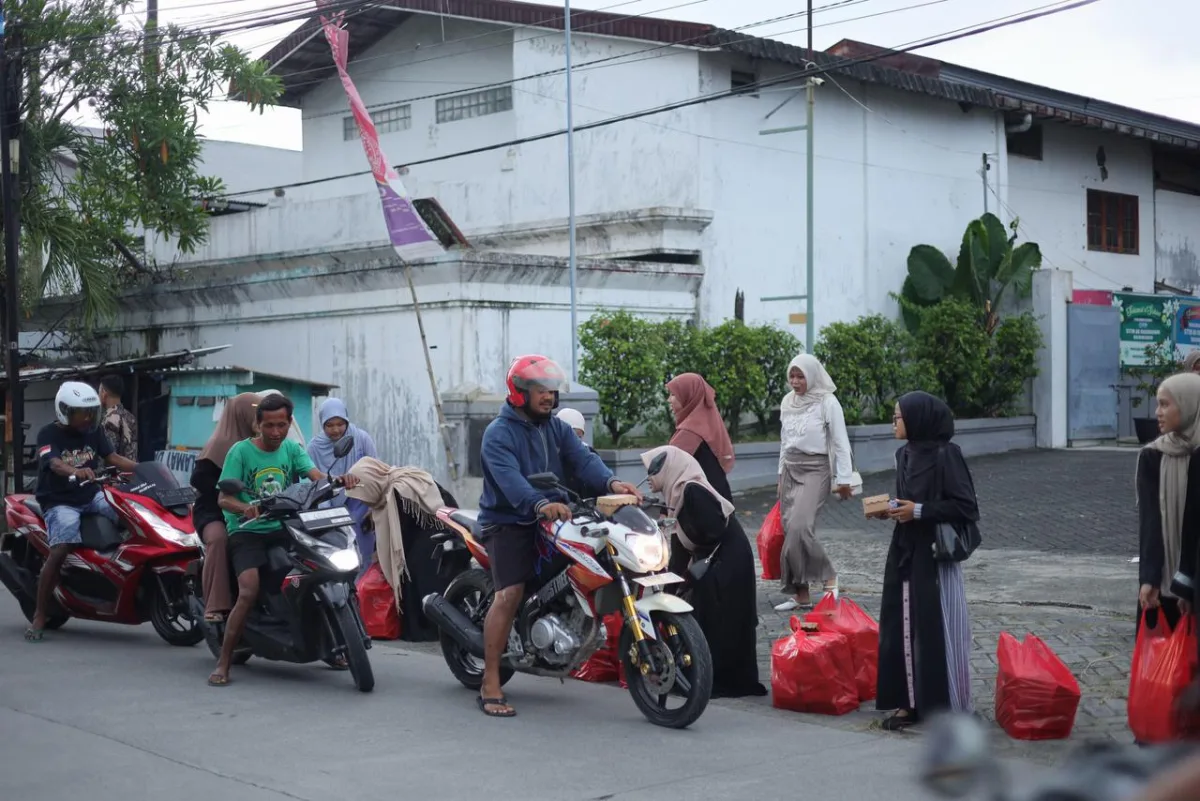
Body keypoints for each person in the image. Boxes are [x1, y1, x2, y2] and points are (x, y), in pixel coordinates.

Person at [476, 355, 643, 718]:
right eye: (541, 392)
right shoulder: (498, 434)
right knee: (510, 593)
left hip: (556, 515)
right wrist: (537, 504)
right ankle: (490, 681)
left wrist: (611, 482)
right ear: (519, 393)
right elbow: (511, 482)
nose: (549, 398)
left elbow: (583, 460)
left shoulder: (555, 427)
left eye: (552, 392)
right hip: (508, 521)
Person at [208, 393, 359, 687]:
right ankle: (224, 660)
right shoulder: (240, 452)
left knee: (318, 570)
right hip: (247, 530)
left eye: (281, 425)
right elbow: (224, 498)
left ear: (290, 423)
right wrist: (246, 507)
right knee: (248, 590)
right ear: (257, 425)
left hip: (284, 526)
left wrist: (339, 480)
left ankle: (328, 640)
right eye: (270, 426)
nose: (276, 432)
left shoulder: (291, 449)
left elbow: (315, 476)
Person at [871, 391, 978, 730]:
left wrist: (917, 510)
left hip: (935, 553)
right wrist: (890, 509)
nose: (893, 423)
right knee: (900, 623)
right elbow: (906, 499)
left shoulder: (948, 455)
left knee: (933, 626)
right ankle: (907, 702)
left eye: (898, 417)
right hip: (904, 547)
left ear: (917, 419)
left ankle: (940, 704)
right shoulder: (903, 454)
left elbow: (966, 508)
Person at [641, 445, 767, 698]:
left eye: (653, 471)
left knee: (723, 620)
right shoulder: (677, 495)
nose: (649, 479)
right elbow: (680, 554)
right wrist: (666, 597)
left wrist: (693, 565)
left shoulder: (693, 491)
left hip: (728, 561)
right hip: (715, 562)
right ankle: (708, 677)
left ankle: (721, 681)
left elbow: (714, 530)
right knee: (710, 616)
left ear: (669, 469)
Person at [25, 381, 139, 642]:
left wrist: (144, 468)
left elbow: (112, 457)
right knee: (60, 549)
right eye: (81, 412)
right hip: (60, 501)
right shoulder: (47, 434)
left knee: (130, 518)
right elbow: (53, 463)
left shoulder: (94, 430)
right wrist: (75, 470)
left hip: (92, 494)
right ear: (65, 411)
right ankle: (40, 613)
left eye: (90, 411)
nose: (88, 417)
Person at [774, 354, 855, 612]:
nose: (795, 382)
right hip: (790, 468)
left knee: (800, 527)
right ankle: (801, 593)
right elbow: (784, 441)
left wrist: (844, 479)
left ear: (812, 375)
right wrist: (779, 474)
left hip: (816, 469)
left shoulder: (827, 402)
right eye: (792, 376)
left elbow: (841, 442)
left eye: (801, 376)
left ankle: (829, 576)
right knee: (791, 532)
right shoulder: (788, 401)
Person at [1137, 373, 1200, 633]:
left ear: (1188, 405)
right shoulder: (1152, 456)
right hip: (1165, 578)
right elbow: (1151, 523)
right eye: (1158, 404)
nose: (1157, 413)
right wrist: (1149, 578)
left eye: (1165, 404)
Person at [190, 393, 259, 624]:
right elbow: (199, 480)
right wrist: (230, 489)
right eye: (254, 415)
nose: (257, 420)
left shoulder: (261, 444)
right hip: (214, 511)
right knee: (219, 539)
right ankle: (215, 605)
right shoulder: (219, 445)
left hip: (252, 511)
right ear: (240, 415)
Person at [308, 398, 379, 576]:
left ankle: (362, 595)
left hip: (359, 503)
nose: (336, 430)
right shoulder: (314, 448)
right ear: (322, 424)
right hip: (328, 505)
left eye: (340, 424)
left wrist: (373, 508)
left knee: (363, 555)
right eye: (329, 425)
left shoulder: (361, 438)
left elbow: (375, 471)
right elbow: (311, 483)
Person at [666, 373, 735, 502]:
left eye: (673, 394)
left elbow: (670, 471)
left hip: (704, 506)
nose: (669, 400)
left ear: (689, 397)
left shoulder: (690, 431)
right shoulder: (706, 424)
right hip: (718, 499)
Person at [99, 374, 138, 462]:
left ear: (104, 393)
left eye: (99, 391)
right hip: (132, 471)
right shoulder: (130, 416)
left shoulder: (109, 419)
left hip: (116, 473)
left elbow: (109, 454)